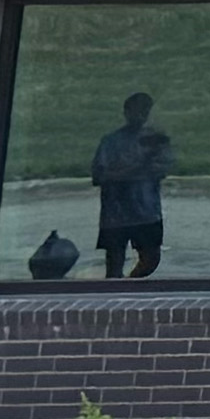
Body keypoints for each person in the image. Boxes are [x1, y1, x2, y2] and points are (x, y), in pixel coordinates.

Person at [89, 91, 175, 283]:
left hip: (146, 211)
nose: (140, 115)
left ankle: (127, 285)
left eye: (144, 111)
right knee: (114, 262)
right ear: (126, 112)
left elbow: (162, 169)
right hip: (116, 214)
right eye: (136, 111)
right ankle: (114, 293)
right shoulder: (111, 142)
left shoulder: (156, 140)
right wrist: (135, 169)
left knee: (151, 259)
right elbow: (98, 176)